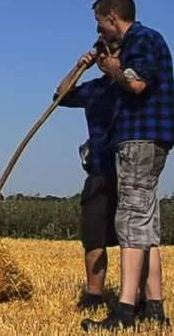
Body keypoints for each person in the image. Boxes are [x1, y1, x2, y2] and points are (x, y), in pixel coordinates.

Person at [81, 0, 174, 331]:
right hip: (149, 138)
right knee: (146, 223)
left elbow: (136, 84)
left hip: (140, 137)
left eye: (100, 24)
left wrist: (112, 67)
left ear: (112, 18)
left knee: (132, 222)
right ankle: (154, 308)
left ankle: (124, 312)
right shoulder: (147, 39)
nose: (100, 33)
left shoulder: (142, 39)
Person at [54, 40, 121, 312]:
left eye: (111, 53)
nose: (105, 58)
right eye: (102, 54)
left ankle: (137, 296)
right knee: (93, 235)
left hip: (127, 168)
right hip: (98, 169)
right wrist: (79, 66)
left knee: (133, 238)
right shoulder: (94, 89)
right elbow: (61, 96)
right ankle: (94, 294)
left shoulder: (131, 86)